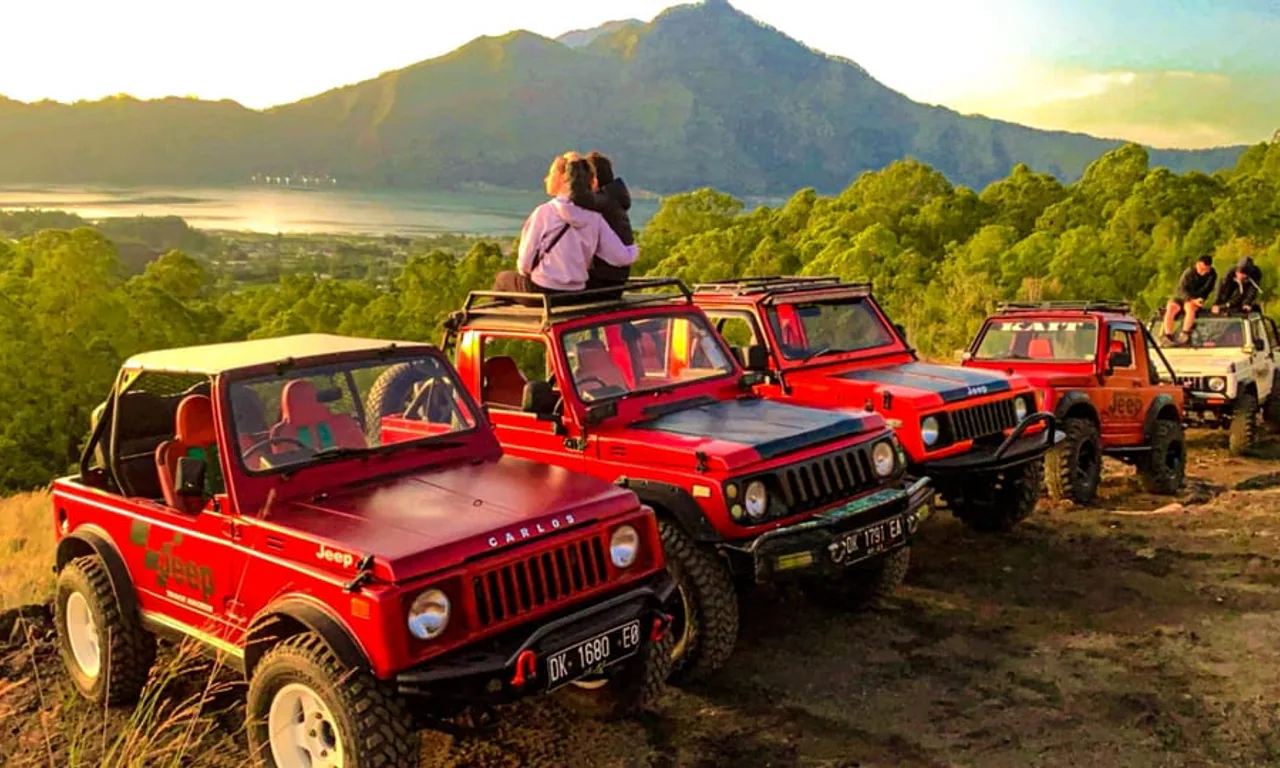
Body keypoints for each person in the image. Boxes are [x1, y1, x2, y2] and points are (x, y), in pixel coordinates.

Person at [492, 152, 637, 297]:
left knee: (502, 280)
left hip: (542, 290)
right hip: (575, 294)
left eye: (551, 173)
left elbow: (524, 263)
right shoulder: (595, 218)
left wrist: (534, 275)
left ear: (564, 178)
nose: (546, 179)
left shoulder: (544, 213)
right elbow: (622, 257)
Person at [572, 151, 634, 291]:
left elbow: (578, 198)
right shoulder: (611, 200)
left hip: (602, 279)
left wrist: (573, 166)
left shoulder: (603, 201)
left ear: (593, 180)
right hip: (613, 278)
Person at [1161, 254, 1216, 343]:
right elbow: (1181, 289)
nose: (1203, 272)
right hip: (1182, 296)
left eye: (1206, 270)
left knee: (1190, 308)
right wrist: (1190, 298)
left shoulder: (1212, 275)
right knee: (1171, 307)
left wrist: (1198, 299)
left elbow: (1206, 290)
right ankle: (1167, 335)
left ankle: (1184, 332)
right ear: (1197, 264)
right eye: (1201, 269)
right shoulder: (1189, 272)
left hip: (1196, 298)